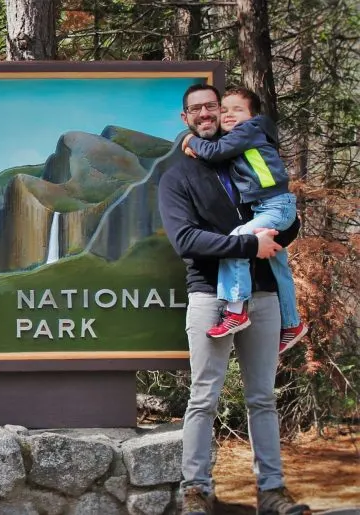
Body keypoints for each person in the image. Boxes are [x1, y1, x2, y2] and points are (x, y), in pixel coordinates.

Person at [158, 84, 311, 515]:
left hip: (262, 298)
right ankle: (197, 492)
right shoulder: (177, 178)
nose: (207, 114)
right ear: (185, 118)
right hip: (210, 298)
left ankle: (272, 492)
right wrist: (249, 246)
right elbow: (186, 240)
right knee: (203, 397)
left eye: (214, 107)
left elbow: (284, 225)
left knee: (262, 398)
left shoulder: (244, 157)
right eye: (198, 109)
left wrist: (283, 228)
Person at [180, 86, 307, 354]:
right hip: (270, 206)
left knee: (239, 238)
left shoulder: (249, 131)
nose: (228, 115)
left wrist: (190, 140)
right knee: (279, 264)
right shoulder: (245, 135)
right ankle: (293, 323)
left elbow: (215, 152)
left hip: (275, 205)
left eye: (237, 110)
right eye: (224, 109)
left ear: (252, 115)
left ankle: (236, 310)